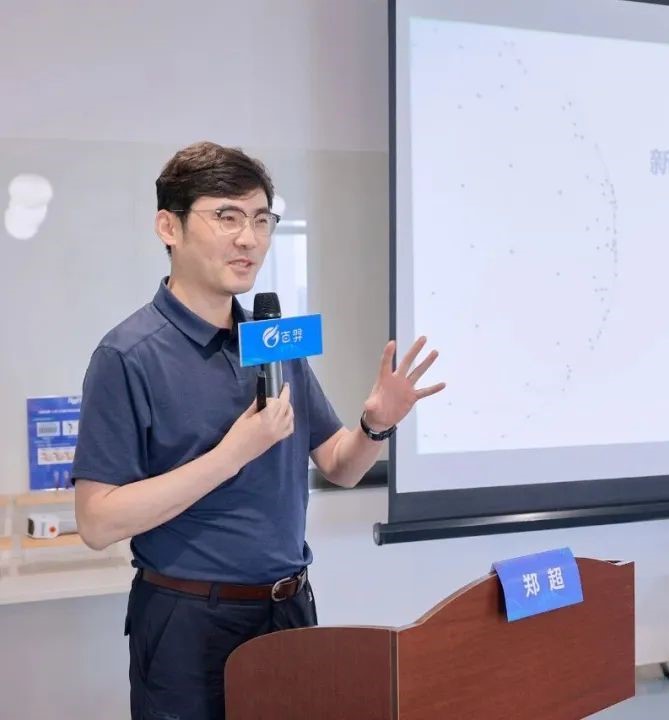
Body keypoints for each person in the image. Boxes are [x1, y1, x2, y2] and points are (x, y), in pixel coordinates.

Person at [71, 141, 444, 720]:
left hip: (289, 607)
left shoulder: (274, 341)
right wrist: (232, 454)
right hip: (187, 621)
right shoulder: (127, 356)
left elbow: (340, 467)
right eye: (227, 217)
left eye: (262, 219)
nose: (249, 239)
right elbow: (97, 522)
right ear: (168, 227)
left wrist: (375, 424)